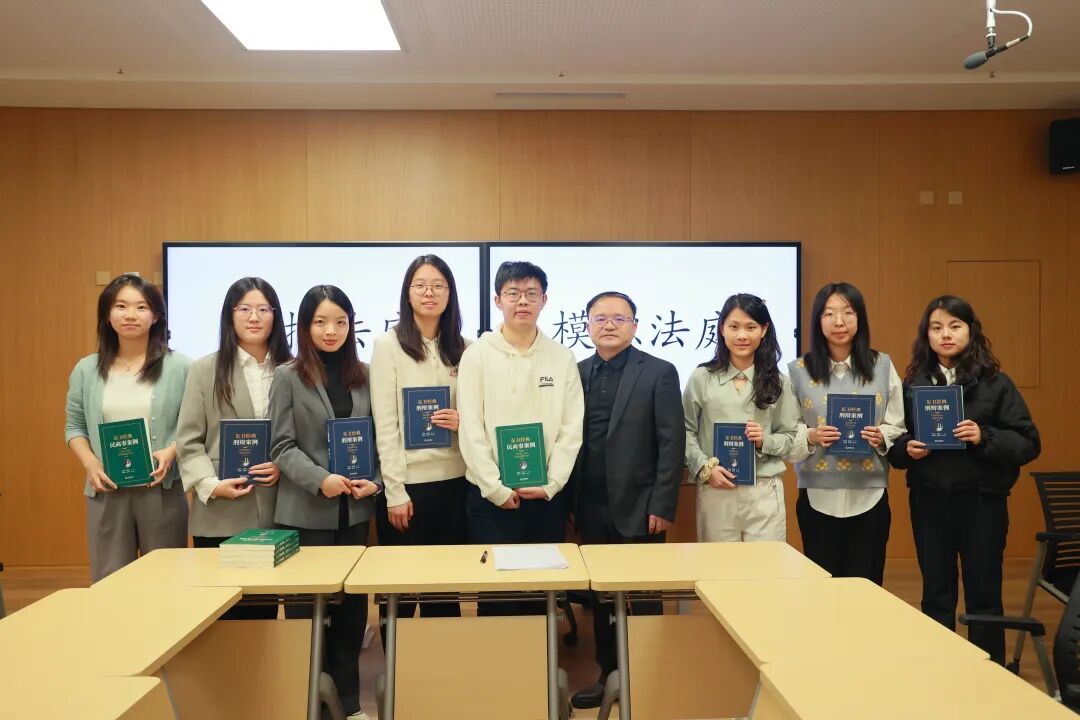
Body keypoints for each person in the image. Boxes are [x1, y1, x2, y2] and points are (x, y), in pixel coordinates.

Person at [888, 295, 1040, 663]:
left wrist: (984, 436)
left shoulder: (996, 384)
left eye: (955, 326)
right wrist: (908, 448)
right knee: (936, 593)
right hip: (929, 502)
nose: (946, 334)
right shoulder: (913, 385)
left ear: (971, 331)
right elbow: (894, 446)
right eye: (936, 327)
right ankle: (940, 670)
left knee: (984, 594)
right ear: (926, 335)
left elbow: (1028, 442)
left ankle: (990, 674)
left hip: (982, 503)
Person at [269, 285, 382, 720]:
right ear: (304, 327)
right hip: (305, 512)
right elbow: (281, 446)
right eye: (320, 322)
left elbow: (380, 439)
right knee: (308, 615)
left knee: (351, 615)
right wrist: (321, 480)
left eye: (339, 321)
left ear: (351, 325)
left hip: (353, 513)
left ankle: (349, 705)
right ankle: (309, 705)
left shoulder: (366, 375)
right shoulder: (287, 377)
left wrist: (374, 482)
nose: (330, 330)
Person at [567, 291, 684, 710]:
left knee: (644, 595)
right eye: (600, 318)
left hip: (641, 505)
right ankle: (608, 674)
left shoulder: (659, 371)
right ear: (587, 325)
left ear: (635, 326)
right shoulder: (575, 372)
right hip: (589, 503)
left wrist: (662, 505)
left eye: (619, 318)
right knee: (601, 597)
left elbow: (671, 443)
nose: (609, 325)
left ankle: (647, 675)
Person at [457, 260, 584, 614]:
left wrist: (552, 483)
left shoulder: (561, 357)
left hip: (545, 498)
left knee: (541, 595)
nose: (522, 301)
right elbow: (471, 428)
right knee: (497, 599)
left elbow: (571, 429)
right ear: (498, 300)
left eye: (531, 293)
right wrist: (495, 488)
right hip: (491, 500)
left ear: (545, 300)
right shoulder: (477, 355)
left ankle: (542, 652)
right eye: (513, 293)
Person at [176, 277, 292, 619]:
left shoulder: (293, 369)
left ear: (275, 316)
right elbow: (188, 440)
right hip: (222, 511)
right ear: (230, 315)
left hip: (279, 510)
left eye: (263, 309)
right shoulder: (204, 370)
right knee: (220, 617)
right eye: (244, 309)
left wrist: (284, 465)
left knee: (265, 615)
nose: (254, 317)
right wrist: (211, 485)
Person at [64, 273, 191, 582]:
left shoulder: (181, 367)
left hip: (161, 488)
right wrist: (91, 463)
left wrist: (172, 451)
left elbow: (196, 425)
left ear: (156, 315)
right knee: (110, 581)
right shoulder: (86, 369)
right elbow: (74, 426)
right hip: (107, 489)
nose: (130, 315)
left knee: (165, 581)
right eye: (121, 306)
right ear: (108, 315)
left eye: (141, 307)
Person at [370, 255, 469, 623]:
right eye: (421, 285)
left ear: (450, 294)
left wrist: (463, 422)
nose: (430, 293)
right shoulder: (387, 345)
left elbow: (481, 417)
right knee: (400, 591)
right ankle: (398, 659)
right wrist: (395, 491)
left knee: (443, 593)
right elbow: (386, 423)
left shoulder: (466, 348)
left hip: (456, 484)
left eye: (439, 286)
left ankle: (440, 659)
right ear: (407, 293)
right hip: (408, 489)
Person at [788, 282, 904, 584]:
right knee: (822, 587)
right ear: (818, 320)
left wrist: (881, 436)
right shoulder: (798, 370)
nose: (839, 322)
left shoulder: (882, 366)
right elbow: (787, 428)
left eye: (847, 313)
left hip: (869, 494)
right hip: (817, 495)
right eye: (829, 314)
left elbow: (897, 422)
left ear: (859, 318)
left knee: (867, 585)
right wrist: (811, 435)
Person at [683, 293, 799, 542]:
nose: (742, 335)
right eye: (734, 327)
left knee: (765, 565)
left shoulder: (779, 382)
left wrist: (765, 441)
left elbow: (790, 436)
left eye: (751, 327)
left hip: (763, 490)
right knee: (718, 564)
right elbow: (685, 431)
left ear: (764, 330)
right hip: (716, 488)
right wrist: (703, 468)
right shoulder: (701, 378)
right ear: (722, 329)